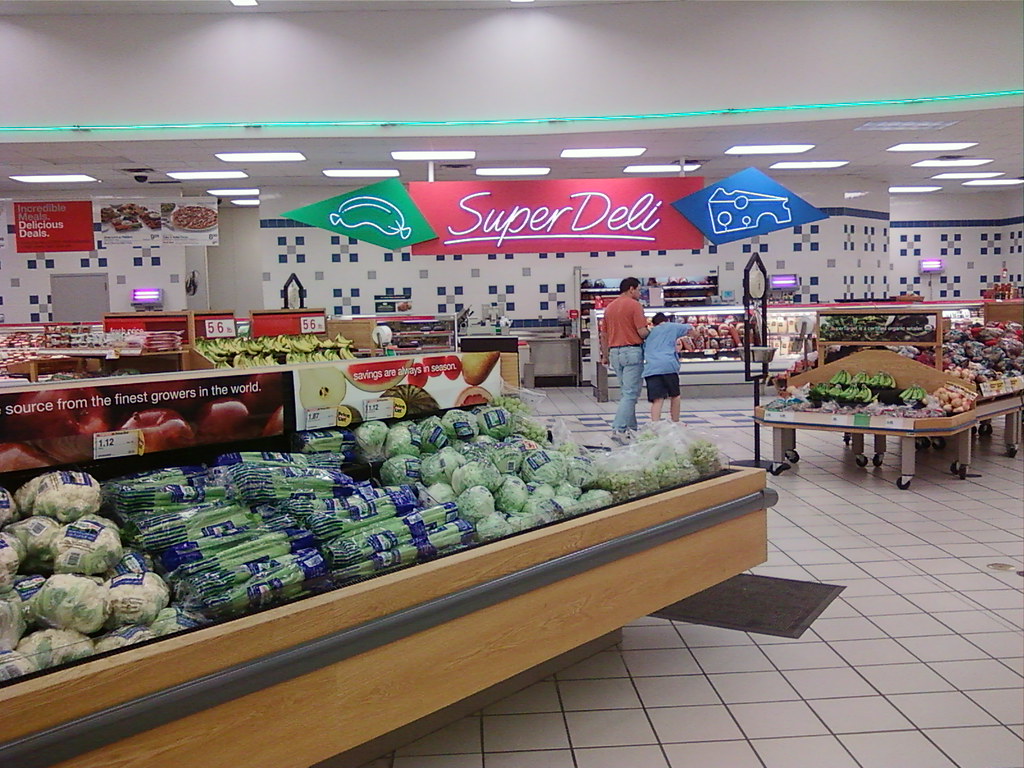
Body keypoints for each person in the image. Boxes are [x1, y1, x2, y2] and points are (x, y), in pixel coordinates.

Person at [599, 277, 649, 442]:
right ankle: (618, 428)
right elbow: (642, 331)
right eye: (639, 290)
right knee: (630, 394)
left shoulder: (609, 308)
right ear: (631, 289)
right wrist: (655, 335)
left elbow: (604, 335)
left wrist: (605, 355)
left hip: (615, 353)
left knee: (626, 393)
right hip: (632, 352)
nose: (640, 293)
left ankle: (631, 429)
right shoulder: (635, 305)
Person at [642, 313, 693, 422]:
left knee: (657, 399)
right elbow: (690, 329)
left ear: (654, 324)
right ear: (666, 320)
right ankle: (675, 422)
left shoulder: (650, 333)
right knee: (675, 395)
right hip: (668, 365)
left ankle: (655, 425)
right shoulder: (672, 326)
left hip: (652, 368)